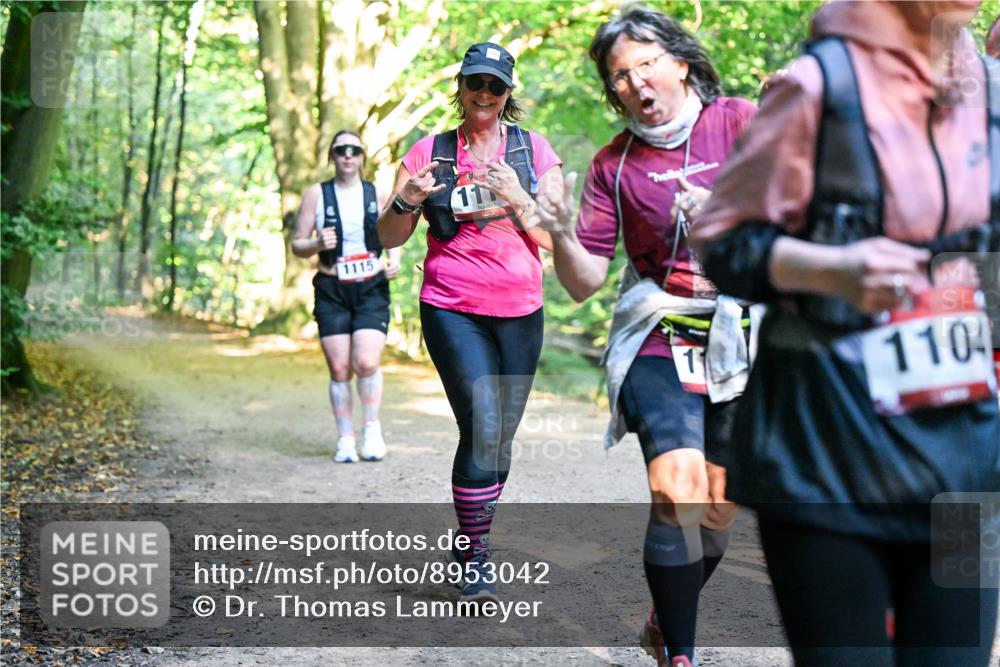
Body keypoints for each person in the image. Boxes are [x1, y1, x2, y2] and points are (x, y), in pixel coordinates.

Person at [689, 1, 999, 665]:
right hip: (827, 454)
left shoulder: (990, 95)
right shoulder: (819, 84)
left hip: (965, 464)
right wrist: (830, 270)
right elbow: (719, 239)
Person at [535, 5, 757, 666]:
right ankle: (680, 656)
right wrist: (561, 232)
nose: (636, 85)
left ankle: (665, 617)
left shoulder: (741, 122)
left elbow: (798, 203)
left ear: (682, 63)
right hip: (659, 331)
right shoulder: (614, 164)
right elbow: (582, 282)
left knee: (718, 511)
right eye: (620, 76)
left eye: (647, 65)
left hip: (740, 331)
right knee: (677, 489)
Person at [378, 42, 563, 604]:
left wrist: (517, 197)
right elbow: (386, 236)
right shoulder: (429, 152)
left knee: (500, 434)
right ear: (459, 87)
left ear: (509, 96)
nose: (483, 95)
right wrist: (407, 202)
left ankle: (470, 539)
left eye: (495, 87)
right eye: (475, 84)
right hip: (451, 304)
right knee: (483, 425)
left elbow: (558, 239)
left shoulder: (534, 152)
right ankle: (475, 554)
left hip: (520, 310)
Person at [292, 130, 401, 463]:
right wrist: (315, 244)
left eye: (355, 150)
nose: (348, 155)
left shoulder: (377, 192)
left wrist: (393, 261)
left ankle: (371, 429)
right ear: (332, 156)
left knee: (366, 362)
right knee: (340, 368)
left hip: (370, 287)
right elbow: (297, 243)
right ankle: (345, 439)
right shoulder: (317, 194)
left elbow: (396, 232)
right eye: (341, 150)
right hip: (331, 289)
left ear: (362, 157)